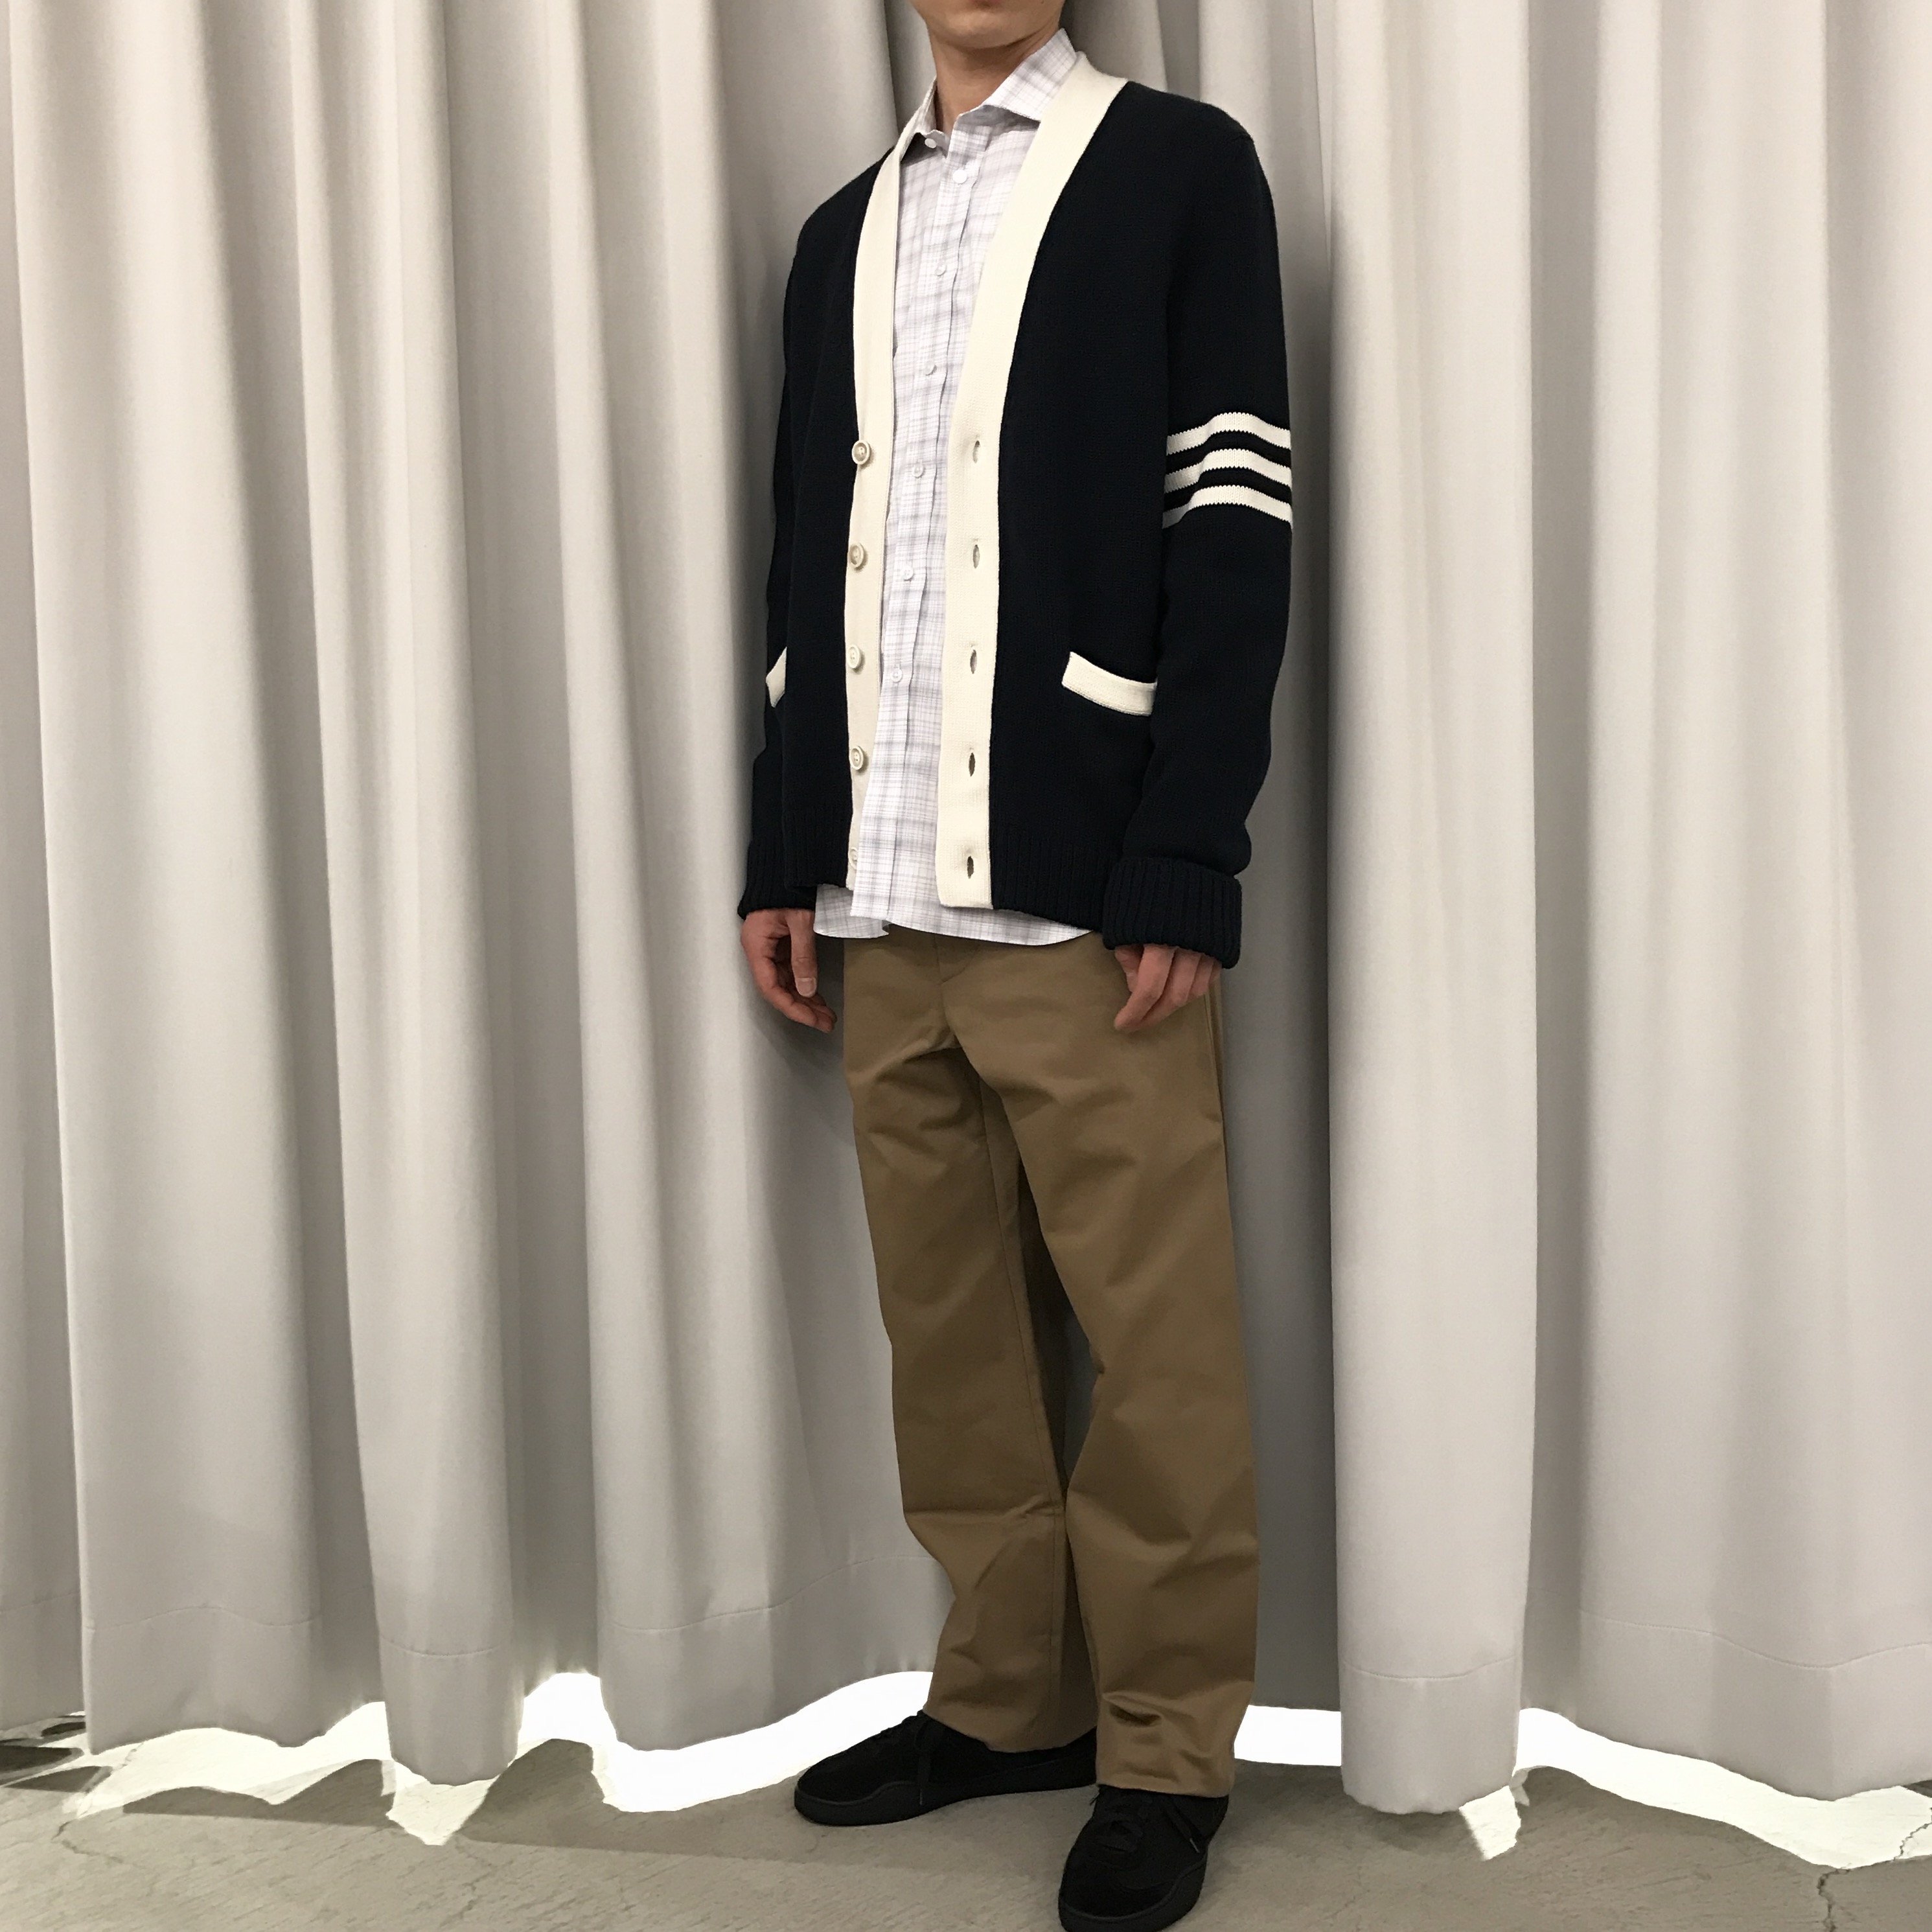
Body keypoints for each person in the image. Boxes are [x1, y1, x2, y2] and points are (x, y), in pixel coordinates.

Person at [737, 3, 1291, 1926]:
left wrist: (1186, 848)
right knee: (951, 1339)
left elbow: (1233, 517)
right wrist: (782, 846)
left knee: (1157, 1345)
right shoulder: (841, 230)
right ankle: (1006, 1702)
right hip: (879, 889)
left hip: (1077, 890)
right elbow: (806, 547)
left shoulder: (1178, 171)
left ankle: (1165, 1747)